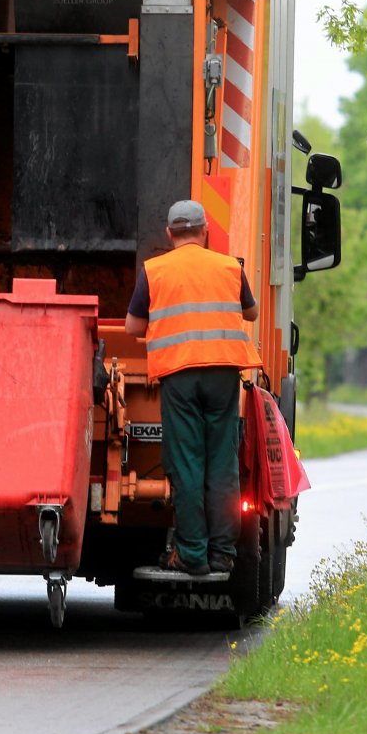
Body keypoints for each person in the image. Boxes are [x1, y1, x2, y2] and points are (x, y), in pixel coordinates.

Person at [124, 200, 260, 576]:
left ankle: (191, 555)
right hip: (223, 375)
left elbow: (133, 327)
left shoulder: (155, 270)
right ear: (205, 232)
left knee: (187, 464)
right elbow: (251, 312)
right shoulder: (229, 266)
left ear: (169, 235)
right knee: (221, 464)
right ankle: (223, 554)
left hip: (180, 374)